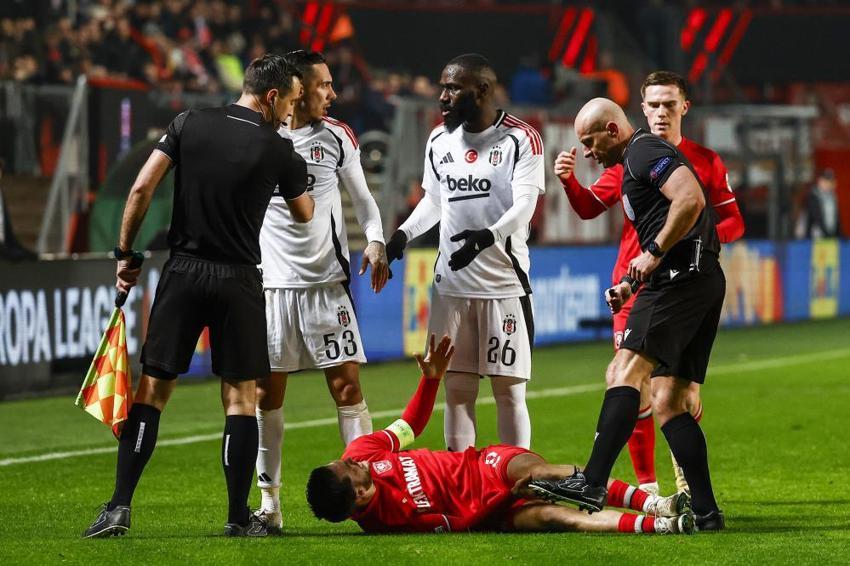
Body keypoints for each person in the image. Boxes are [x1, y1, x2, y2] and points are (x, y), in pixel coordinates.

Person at [83, 54, 314, 539]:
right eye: (291, 102)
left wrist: (125, 253)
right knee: (240, 398)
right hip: (239, 281)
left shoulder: (188, 123)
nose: (291, 113)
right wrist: (286, 161)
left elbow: (141, 188)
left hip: (183, 272)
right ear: (271, 97)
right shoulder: (277, 149)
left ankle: (120, 508)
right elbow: (305, 213)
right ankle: (235, 518)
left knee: (153, 390)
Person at [534, 98, 726, 532]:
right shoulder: (633, 162)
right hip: (698, 277)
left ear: (613, 130)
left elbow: (691, 198)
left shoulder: (643, 152)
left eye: (590, 140)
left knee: (624, 371)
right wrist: (630, 283)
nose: (587, 151)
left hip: (680, 278)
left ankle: (594, 481)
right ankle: (707, 512)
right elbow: (667, 216)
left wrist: (654, 254)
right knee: (669, 401)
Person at [305, 335, 694, 535]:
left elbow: (409, 427)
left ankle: (653, 503)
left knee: (549, 475)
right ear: (356, 496)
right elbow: (460, 523)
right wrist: (508, 497)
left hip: (485, 465)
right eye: (346, 469)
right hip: (487, 512)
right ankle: (659, 526)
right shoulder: (389, 521)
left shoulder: (363, 451)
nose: (350, 458)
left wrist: (431, 381)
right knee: (558, 516)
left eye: (343, 459)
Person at [253, 49, 389, 532]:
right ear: (296, 90)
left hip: (326, 287)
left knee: (347, 389)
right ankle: (269, 507)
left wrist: (374, 241)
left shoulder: (337, 136)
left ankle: (365, 494)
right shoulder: (259, 137)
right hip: (271, 289)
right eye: (323, 85)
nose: (331, 94)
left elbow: (365, 203)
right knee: (266, 397)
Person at [385, 54, 545, 452]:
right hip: (451, 287)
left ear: (484, 90)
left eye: (454, 88)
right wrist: (401, 236)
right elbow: (434, 201)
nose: (443, 97)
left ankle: (516, 487)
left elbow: (525, 207)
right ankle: (463, 491)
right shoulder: (439, 139)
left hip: (504, 284)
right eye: (443, 87)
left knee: (509, 393)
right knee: (455, 390)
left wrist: (487, 237)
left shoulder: (521, 138)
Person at [802, 169, 842, 238]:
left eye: (830, 181)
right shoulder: (813, 195)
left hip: (831, 235)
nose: (827, 184)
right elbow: (816, 217)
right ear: (819, 181)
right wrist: (827, 234)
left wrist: (839, 234)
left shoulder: (832, 197)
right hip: (817, 237)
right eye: (825, 181)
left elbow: (836, 217)